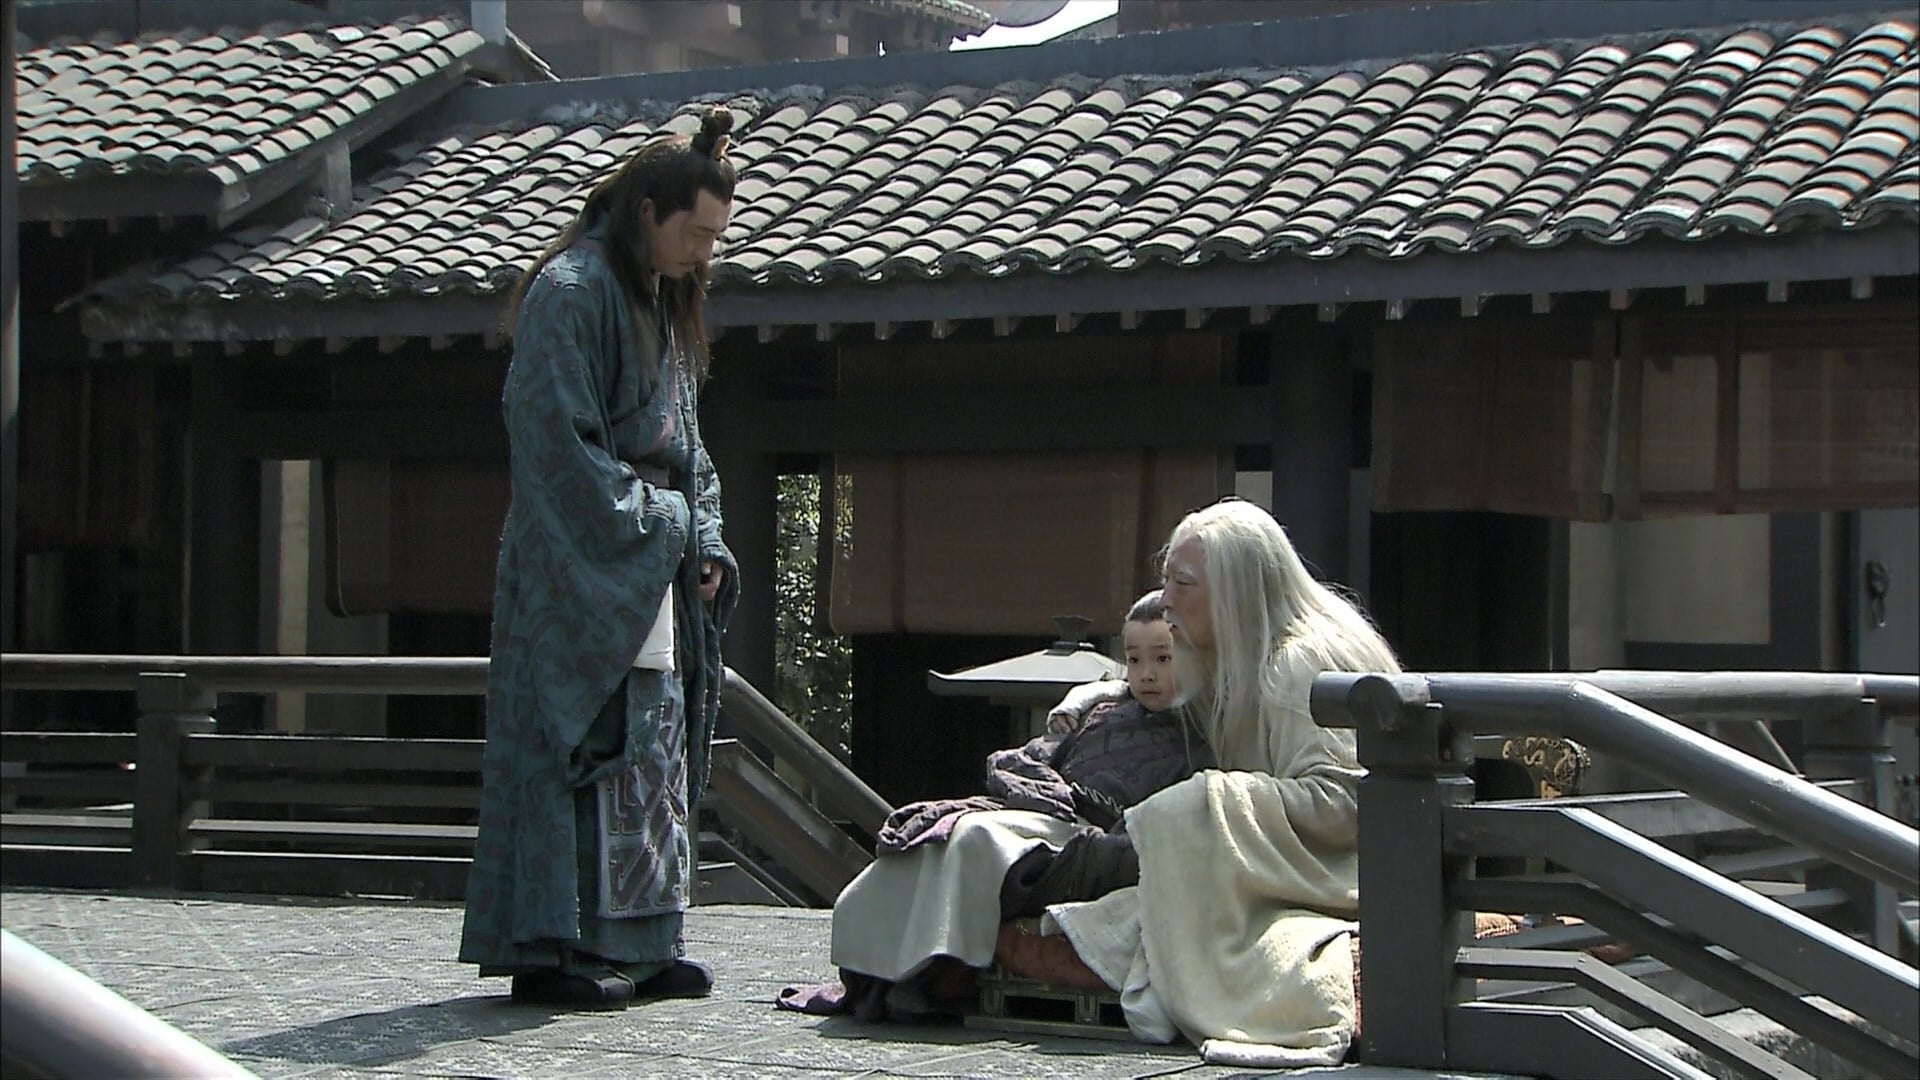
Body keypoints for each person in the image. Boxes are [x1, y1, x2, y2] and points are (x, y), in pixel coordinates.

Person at [458, 108, 741, 1011]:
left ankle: (647, 940)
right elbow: (557, 446)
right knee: (577, 744)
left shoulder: (660, 297)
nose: (704, 253)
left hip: (648, 550)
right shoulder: (570, 292)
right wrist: (665, 520)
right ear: (647, 211)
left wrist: (701, 536)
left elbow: (689, 446)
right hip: (577, 557)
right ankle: (555, 946)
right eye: (695, 233)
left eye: (715, 237)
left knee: (650, 750)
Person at [1044, 497, 1402, 1066]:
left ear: (1235, 591)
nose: (1165, 599)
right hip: (1286, 862)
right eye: (1166, 580)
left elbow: (1344, 802)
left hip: (1354, 868)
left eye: (1183, 584)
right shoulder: (1235, 651)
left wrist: (1208, 804)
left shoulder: (1301, 661)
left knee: (1177, 824)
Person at [778, 590, 1214, 1020]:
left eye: (1163, 658)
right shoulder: (1101, 714)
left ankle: (938, 976)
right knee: (931, 839)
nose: (1147, 674)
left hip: (1086, 837)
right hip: (1046, 809)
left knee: (977, 838)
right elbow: (1036, 756)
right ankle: (882, 978)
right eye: (1135, 660)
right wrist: (1039, 776)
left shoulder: (1200, 737)